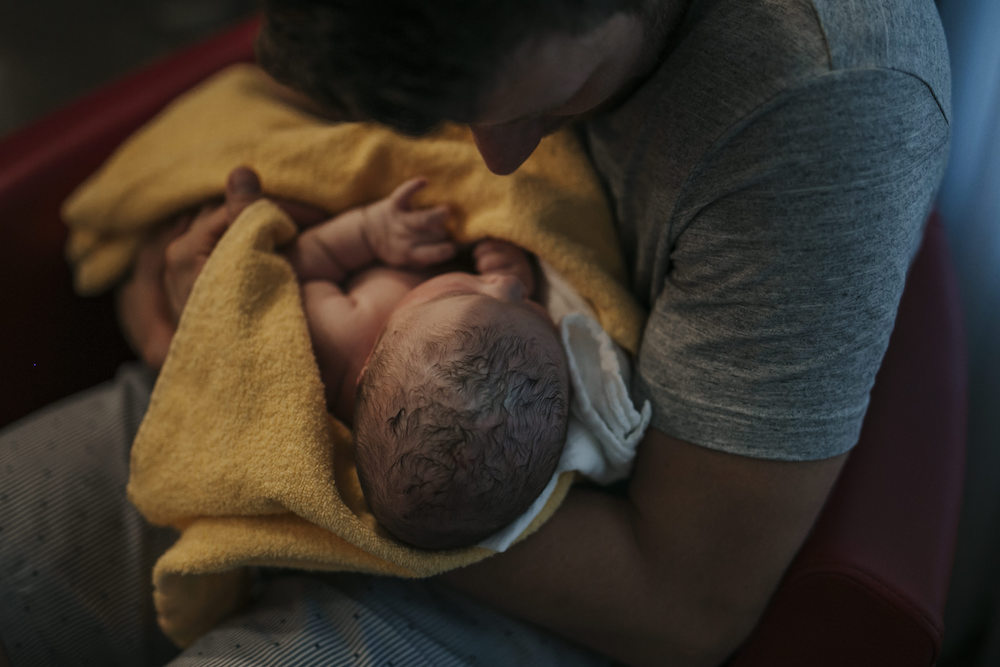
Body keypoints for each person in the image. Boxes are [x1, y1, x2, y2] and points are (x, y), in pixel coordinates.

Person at [0, 0, 950, 665]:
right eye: (449, 114)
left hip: (544, 549)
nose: (496, 158)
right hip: (239, 426)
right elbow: (295, 127)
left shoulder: (828, 102)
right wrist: (196, 271)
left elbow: (685, 607)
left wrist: (317, 480)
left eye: (552, 97)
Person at [168, 168, 570, 551]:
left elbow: (294, 269)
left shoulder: (339, 336)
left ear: (366, 374)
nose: (510, 285)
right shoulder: (452, 353)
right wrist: (505, 267)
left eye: (474, 292)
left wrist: (367, 232)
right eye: (527, 305)